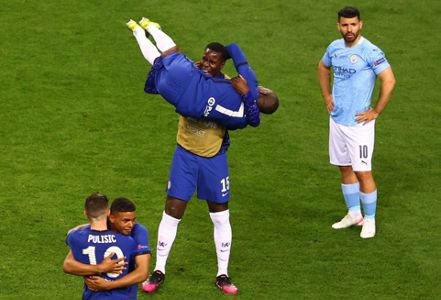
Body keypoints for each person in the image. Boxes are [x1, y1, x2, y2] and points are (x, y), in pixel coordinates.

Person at [318, 6, 396, 238]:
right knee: (344, 167)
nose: (349, 29)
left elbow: (389, 80)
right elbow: (322, 67)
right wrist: (326, 96)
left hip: (359, 126)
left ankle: (369, 219)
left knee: (363, 171)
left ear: (360, 24)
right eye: (345, 25)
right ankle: (354, 213)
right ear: (338, 26)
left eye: (353, 24)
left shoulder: (370, 51)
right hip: (337, 121)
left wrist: (376, 111)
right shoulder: (334, 47)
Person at [126, 17, 279, 130]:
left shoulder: (250, 84)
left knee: (170, 52)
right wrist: (247, 98)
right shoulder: (241, 122)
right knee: (155, 61)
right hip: (179, 101)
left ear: (264, 91)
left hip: (190, 79)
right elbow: (253, 121)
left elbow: (233, 48)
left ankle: (149, 26)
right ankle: (137, 31)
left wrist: (219, 58)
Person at [64, 193, 149, 299]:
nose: (131, 225)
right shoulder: (127, 241)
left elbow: (142, 272)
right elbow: (68, 265)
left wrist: (109, 285)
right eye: (125, 221)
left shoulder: (138, 231)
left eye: (133, 220)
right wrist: (98, 268)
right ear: (111, 216)